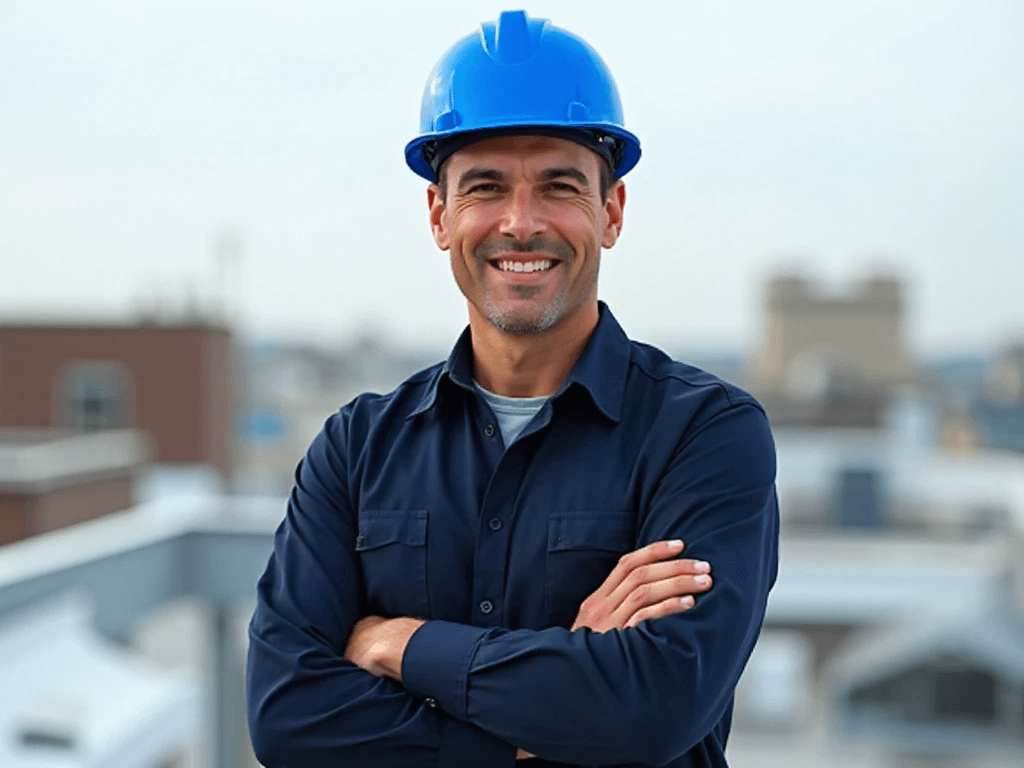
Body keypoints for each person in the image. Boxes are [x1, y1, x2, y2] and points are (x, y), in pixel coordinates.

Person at [246, 10, 779, 768]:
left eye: (559, 186)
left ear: (612, 212)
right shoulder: (357, 448)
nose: (521, 224)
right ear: (440, 215)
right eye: (486, 188)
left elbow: (654, 710)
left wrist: (400, 644)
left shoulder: (707, 434)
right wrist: (551, 713)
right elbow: (288, 720)